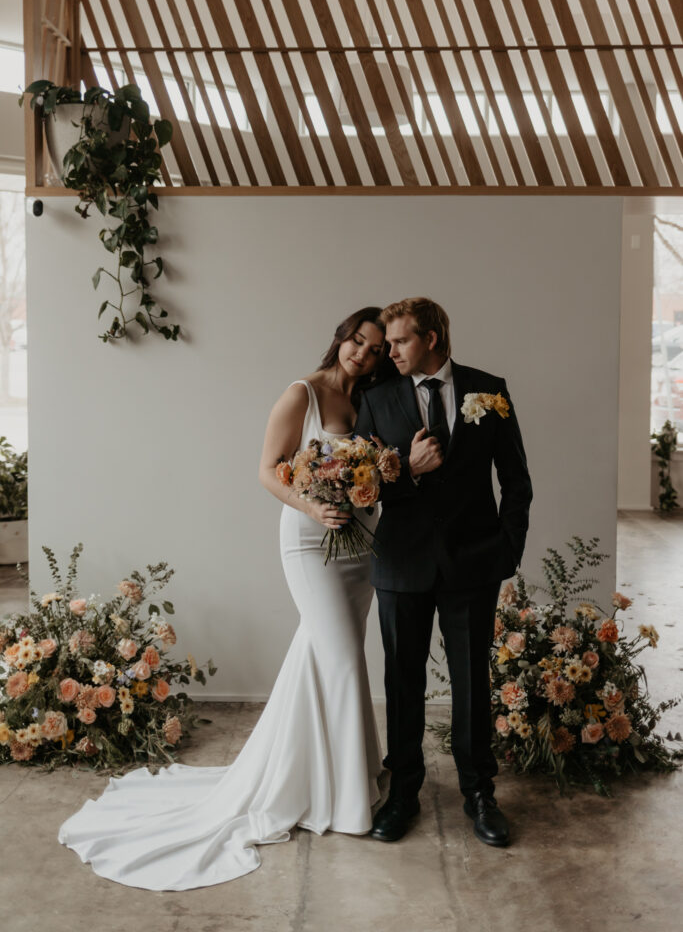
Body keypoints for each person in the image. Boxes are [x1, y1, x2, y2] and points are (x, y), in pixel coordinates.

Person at [57, 307, 389, 890]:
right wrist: (314, 506)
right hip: (312, 540)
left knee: (327, 655)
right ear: (341, 337)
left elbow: (375, 470)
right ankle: (347, 800)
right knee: (338, 658)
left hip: (360, 545)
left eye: (376, 348)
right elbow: (267, 471)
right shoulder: (301, 395)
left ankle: (326, 775)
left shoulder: (370, 402)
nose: (362, 353)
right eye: (357, 341)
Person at [354, 297, 532, 848]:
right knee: (402, 684)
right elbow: (362, 485)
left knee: (473, 683)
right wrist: (409, 469)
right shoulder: (377, 397)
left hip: (473, 563)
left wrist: (506, 551)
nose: (391, 350)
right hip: (401, 561)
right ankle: (403, 793)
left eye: (401, 340)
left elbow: (517, 481)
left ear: (431, 338)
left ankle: (480, 795)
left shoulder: (490, 389)